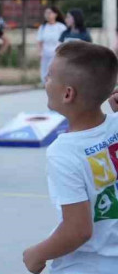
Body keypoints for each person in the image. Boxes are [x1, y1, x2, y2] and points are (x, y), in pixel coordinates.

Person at [22, 41, 118, 274]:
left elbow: (78, 230)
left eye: (50, 77)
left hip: (88, 265)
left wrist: (37, 253)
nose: (46, 82)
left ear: (67, 94)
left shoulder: (64, 152)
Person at [38, 6, 68, 85]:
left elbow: (64, 41)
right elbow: (40, 41)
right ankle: (44, 82)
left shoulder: (61, 27)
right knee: (44, 68)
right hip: (45, 52)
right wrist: (40, 52)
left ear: (55, 14)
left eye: (50, 13)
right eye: (46, 13)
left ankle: (53, 83)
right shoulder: (43, 27)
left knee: (52, 68)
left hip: (56, 52)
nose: (47, 15)